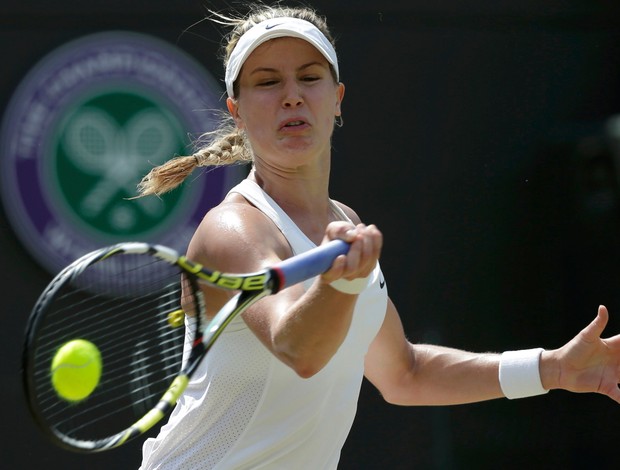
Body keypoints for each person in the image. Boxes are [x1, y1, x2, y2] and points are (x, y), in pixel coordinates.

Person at [137, 4, 620, 469]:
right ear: (236, 110)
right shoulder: (232, 229)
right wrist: (342, 284)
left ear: (337, 99)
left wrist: (550, 369)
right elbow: (299, 351)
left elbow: (404, 373)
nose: (292, 95)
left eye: (309, 77)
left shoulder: (343, 219)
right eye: (267, 82)